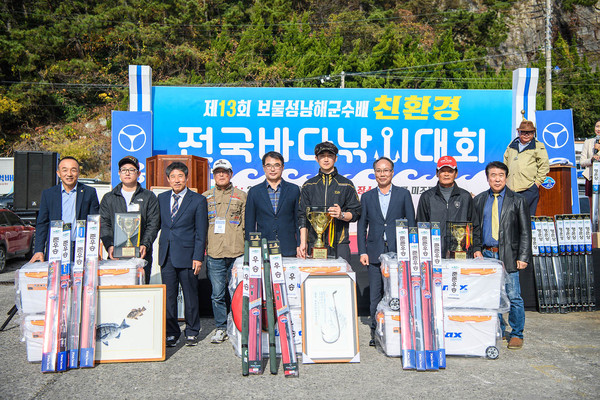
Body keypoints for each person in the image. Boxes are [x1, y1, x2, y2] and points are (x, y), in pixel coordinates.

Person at [472, 161, 531, 350]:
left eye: (501, 175)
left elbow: (525, 231)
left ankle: (516, 333)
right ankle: (496, 328)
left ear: (506, 177)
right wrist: (476, 249)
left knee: (514, 296)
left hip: (509, 254)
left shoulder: (517, 200)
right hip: (487, 254)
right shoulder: (480, 200)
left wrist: (523, 256)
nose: (497, 179)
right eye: (493, 175)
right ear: (487, 178)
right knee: (491, 296)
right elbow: (475, 229)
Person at [357, 156, 415, 347]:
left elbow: (411, 224)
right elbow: (361, 226)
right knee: (375, 295)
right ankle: (376, 331)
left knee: (398, 293)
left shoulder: (403, 195)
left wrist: (410, 252)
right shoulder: (367, 197)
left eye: (386, 170)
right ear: (374, 174)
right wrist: (362, 251)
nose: (382, 174)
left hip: (398, 253)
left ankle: (398, 330)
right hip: (374, 253)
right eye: (378, 171)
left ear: (392, 172)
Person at [157, 162, 208, 347]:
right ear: (168, 179)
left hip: (188, 256)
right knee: (169, 296)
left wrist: (198, 257)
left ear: (186, 178)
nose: (177, 180)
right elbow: (157, 226)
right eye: (173, 176)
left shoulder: (198, 200)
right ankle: (171, 332)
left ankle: (192, 330)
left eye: (180, 176)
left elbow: (201, 232)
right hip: (167, 255)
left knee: (190, 295)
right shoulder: (161, 198)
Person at [202, 159, 246, 344]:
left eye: (225, 172)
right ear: (213, 175)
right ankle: (221, 327)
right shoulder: (204, 197)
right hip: (214, 252)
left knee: (237, 293)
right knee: (217, 294)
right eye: (218, 172)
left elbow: (247, 225)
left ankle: (237, 326)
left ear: (231, 174)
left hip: (237, 251)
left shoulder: (242, 196)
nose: (221, 175)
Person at [99, 156, 160, 284]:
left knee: (140, 292)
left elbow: (153, 223)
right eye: (124, 169)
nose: (127, 173)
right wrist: (109, 245)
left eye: (131, 170)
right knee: (117, 291)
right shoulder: (109, 198)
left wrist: (145, 245)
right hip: (115, 255)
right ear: (119, 173)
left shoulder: (148, 196)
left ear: (138, 173)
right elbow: (104, 224)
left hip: (141, 255)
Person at [298, 141, 361, 263]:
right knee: (315, 280)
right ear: (316, 159)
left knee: (341, 280)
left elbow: (356, 213)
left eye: (330, 156)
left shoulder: (346, 184)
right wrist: (303, 242)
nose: (326, 159)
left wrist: (341, 215)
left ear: (336, 158)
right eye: (322, 156)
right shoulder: (309, 185)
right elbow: (302, 216)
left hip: (340, 243)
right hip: (314, 243)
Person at [30, 156, 100, 262]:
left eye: (73, 170)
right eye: (65, 170)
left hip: (81, 248)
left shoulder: (89, 193)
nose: (69, 174)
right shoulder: (48, 194)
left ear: (78, 172)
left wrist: (95, 250)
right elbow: (42, 223)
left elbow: (94, 223)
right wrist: (38, 250)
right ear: (58, 173)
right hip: (56, 248)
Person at [416, 155, 478, 258]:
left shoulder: (465, 197)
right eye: (442, 171)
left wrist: (476, 249)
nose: (446, 174)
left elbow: (474, 226)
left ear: (456, 174)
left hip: (460, 254)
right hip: (434, 253)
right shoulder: (427, 197)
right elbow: (421, 226)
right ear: (437, 173)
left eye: (450, 171)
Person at [245, 151, 300, 257]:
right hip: (263, 248)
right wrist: (251, 250)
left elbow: (298, 220)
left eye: (276, 165)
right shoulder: (254, 192)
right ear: (264, 167)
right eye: (268, 165)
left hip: (288, 247)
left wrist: (300, 244)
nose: (272, 169)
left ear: (282, 167)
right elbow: (250, 225)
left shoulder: (294, 190)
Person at [503, 118, 550, 216]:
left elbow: (544, 166)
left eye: (529, 132)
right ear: (519, 132)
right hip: (511, 188)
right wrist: (505, 179)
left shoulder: (538, 146)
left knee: (526, 219)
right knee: (510, 218)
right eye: (523, 132)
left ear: (534, 133)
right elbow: (505, 162)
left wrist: (537, 183)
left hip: (528, 188)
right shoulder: (512, 145)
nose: (526, 134)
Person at [580, 119, 600, 211]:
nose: (598, 129)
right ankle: (594, 224)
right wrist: (591, 159)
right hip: (591, 177)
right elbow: (582, 162)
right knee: (593, 208)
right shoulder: (588, 142)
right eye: (597, 126)